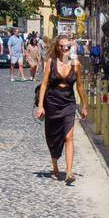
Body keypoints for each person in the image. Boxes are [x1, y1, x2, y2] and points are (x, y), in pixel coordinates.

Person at [35, 32, 88, 184]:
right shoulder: (51, 62)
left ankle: (69, 172)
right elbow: (44, 84)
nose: (65, 49)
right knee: (53, 137)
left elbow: (79, 86)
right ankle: (55, 167)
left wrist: (84, 105)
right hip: (52, 102)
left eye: (68, 46)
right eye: (62, 46)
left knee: (68, 137)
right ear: (57, 48)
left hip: (69, 102)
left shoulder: (75, 64)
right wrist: (40, 106)